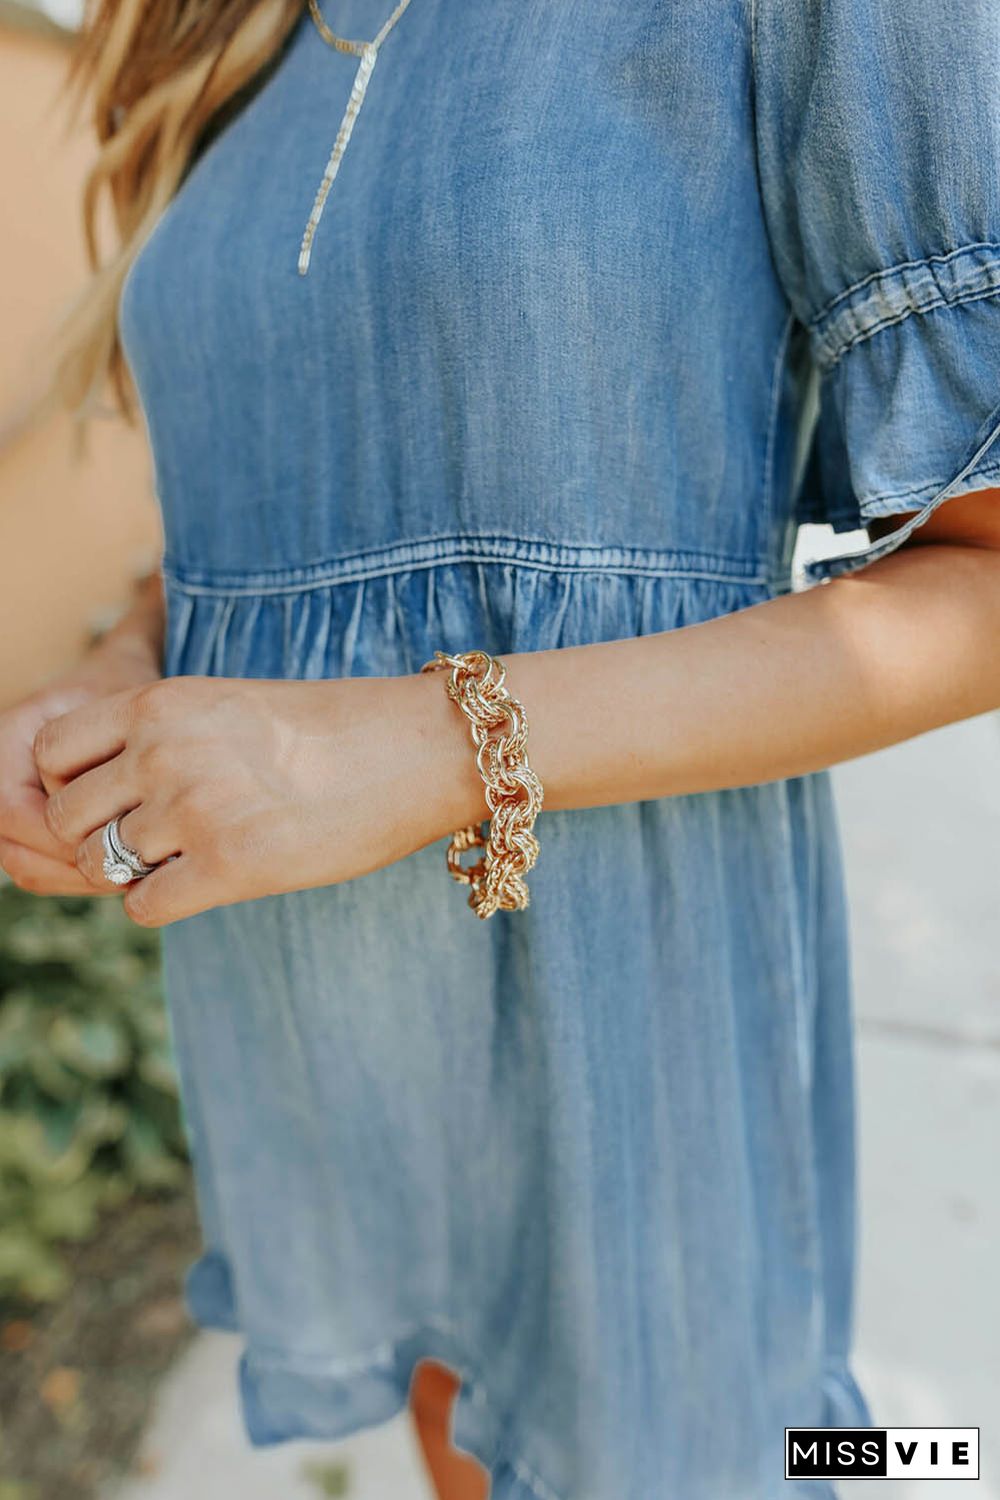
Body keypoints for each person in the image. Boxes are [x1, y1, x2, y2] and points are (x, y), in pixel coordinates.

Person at [3, 1, 999, 1496]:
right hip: (319, 1002)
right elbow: (277, 496)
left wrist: (426, 746)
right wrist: (114, 662)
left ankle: (939, 1464)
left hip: (611, 987)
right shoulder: (230, 34)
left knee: (752, 1452)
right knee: (457, 1421)